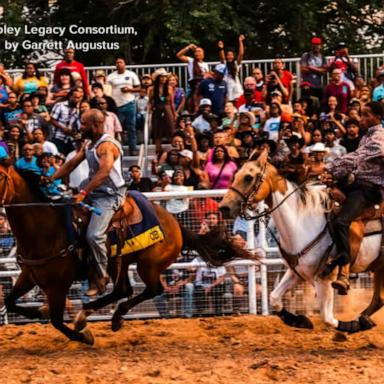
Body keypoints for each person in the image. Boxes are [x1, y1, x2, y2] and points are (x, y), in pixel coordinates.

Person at [50, 109, 127, 295]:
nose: (80, 126)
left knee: (94, 235)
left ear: (96, 124)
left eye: (84, 124)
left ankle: (102, 275)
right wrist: (50, 178)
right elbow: (71, 164)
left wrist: (84, 192)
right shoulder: (89, 143)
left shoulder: (107, 146)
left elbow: (104, 172)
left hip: (110, 195)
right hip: (94, 190)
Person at [321, 102, 384, 294]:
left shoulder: (379, 137)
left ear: (376, 116)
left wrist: (330, 168)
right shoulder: (366, 137)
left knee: (341, 221)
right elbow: (356, 166)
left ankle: (344, 268)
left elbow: (356, 158)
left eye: (365, 115)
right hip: (358, 184)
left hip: (368, 190)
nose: (361, 119)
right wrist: (333, 176)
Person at [107, 55, 141, 154]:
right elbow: (107, 89)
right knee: (118, 128)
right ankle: (118, 148)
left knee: (131, 127)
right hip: (117, 105)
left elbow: (139, 88)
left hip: (130, 103)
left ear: (125, 64)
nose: (119, 64)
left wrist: (130, 89)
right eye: (117, 63)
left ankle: (133, 149)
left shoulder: (131, 74)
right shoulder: (110, 77)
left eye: (121, 62)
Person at [148, 68, 176, 155]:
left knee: (171, 129)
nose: (164, 79)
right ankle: (158, 151)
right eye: (162, 77)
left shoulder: (169, 88)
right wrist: (149, 110)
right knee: (157, 131)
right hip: (157, 110)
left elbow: (172, 102)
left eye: (165, 77)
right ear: (158, 78)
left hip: (167, 109)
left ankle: (174, 150)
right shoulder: (152, 89)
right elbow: (150, 102)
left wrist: (174, 114)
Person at [176, 43, 209, 113]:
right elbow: (179, 55)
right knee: (187, 101)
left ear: (203, 54)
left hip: (203, 86)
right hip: (193, 85)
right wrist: (188, 47)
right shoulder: (191, 61)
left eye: (200, 51)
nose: (198, 53)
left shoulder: (206, 64)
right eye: (196, 51)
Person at [217, 34, 245, 101]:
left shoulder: (236, 64)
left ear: (233, 56)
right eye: (228, 55)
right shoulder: (224, 64)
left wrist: (240, 41)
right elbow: (221, 57)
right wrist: (221, 48)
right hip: (226, 87)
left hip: (236, 88)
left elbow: (241, 54)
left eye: (231, 55)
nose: (230, 56)